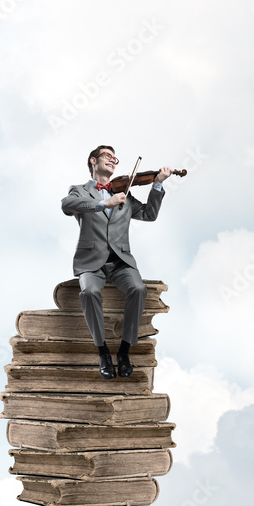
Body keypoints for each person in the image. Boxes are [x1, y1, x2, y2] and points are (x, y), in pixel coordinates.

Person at [61, 145, 172, 380]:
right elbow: (67, 205)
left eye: (115, 158)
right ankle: (102, 353)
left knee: (138, 289)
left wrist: (158, 184)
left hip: (121, 261)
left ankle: (124, 352)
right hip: (91, 261)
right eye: (107, 156)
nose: (113, 160)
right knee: (89, 292)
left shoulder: (126, 194)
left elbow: (150, 214)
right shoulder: (79, 191)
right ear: (93, 160)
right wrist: (104, 204)